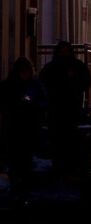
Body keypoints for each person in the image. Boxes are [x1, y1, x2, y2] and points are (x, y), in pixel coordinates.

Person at [0, 57, 46, 203]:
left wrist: (33, 106)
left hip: (29, 126)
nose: (25, 74)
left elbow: (43, 101)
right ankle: (17, 184)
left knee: (25, 157)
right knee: (15, 156)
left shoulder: (34, 84)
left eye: (27, 71)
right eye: (23, 72)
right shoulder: (10, 85)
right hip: (14, 126)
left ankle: (23, 185)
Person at [40, 40, 90, 173]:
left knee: (69, 136)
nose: (64, 53)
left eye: (66, 50)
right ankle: (60, 163)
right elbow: (44, 81)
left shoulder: (76, 66)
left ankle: (68, 163)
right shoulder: (52, 67)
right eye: (62, 51)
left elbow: (86, 81)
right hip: (57, 107)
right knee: (58, 136)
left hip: (70, 107)